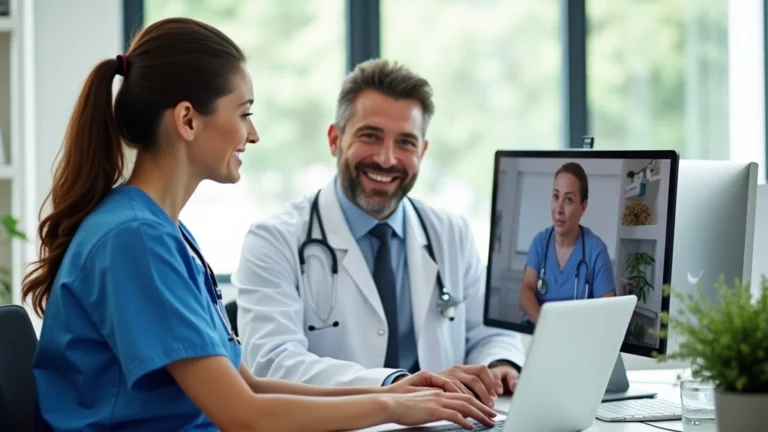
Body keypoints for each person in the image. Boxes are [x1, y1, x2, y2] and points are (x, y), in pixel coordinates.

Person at [22, 18, 499, 432]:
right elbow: (243, 416)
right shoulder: (133, 239)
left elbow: (247, 383)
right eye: (244, 113)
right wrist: (392, 405)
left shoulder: (160, 231)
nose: (253, 133)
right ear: (188, 120)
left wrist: (408, 395)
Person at [232, 58, 526, 408]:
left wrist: (499, 364)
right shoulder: (274, 241)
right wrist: (397, 385)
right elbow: (272, 364)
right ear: (334, 139)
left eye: (405, 143)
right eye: (370, 136)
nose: (387, 159)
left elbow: (489, 332)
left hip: (445, 423)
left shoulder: (451, 233)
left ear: (423, 151)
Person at [519, 162, 616, 325]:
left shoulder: (596, 251)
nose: (559, 209)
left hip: (576, 339)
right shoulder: (540, 242)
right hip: (536, 331)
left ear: (583, 207)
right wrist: (547, 327)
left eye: (569, 200)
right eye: (556, 197)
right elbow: (526, 291)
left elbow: (610, 312)